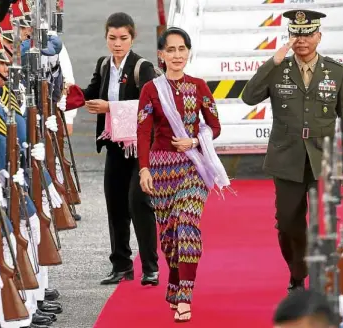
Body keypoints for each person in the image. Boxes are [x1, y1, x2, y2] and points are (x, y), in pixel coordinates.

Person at [242, 9, 343, 294]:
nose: (301, 39)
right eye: (296, 34)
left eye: (307, 34)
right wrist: (273, 61)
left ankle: (318, 275)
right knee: (288, 223)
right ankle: (297, 271)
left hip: (322, 159)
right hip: (286, 158)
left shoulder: (336, 72)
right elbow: (249, 97)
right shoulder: (278, 68)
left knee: (321, 223)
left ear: (318, 36)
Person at [137, 27, 228, 323]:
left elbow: (214, 126)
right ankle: (174, 283)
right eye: (171, 50)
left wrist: (194, 140)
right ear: (161, 55)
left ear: (188, 51)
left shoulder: (199, 86)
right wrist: (144, 168)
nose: (177, 55)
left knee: (187, 224)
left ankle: (185, 295)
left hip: (193, 166)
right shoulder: (151, 89)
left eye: (182, 49)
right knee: (169, 237)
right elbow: (144, 130)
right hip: (161, 168)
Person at [67, 12, 159, 286]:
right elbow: (91, 92)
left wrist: (111, 107)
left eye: (123, 38)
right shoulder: (104, 64)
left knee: (138, 202)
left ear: (132, 38)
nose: (117, 43)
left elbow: (149, 107)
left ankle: (150, 267)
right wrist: (65, 93)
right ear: (106, 37)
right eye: (112, 38)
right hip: (115, 145)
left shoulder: (143, 67)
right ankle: (121, 265)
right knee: (115, 204)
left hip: (140, 147)